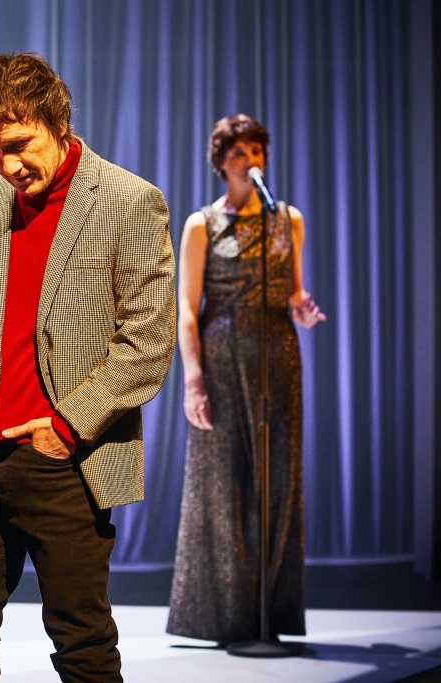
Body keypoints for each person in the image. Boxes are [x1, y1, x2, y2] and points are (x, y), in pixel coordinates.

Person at [0, 53, 175, 681]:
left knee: (82, 646)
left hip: (65, 460)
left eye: (20, 145)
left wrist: (67, 425)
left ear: (57, 120)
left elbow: (148, 343)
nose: (9, 165)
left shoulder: (128, 200)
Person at [166, 114, 326, 645]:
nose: (249, 158)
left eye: (257, 148)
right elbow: (187, 310)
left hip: (278, 353)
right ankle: (225, 617)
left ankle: (271, 616)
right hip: (221, 354)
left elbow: (294, 293)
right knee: (225, 482)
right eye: (238, 151)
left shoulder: (288, 219)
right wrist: (192, 380)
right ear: (220, 162)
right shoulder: (202, 224)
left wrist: (302, 309)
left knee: (277, 478)